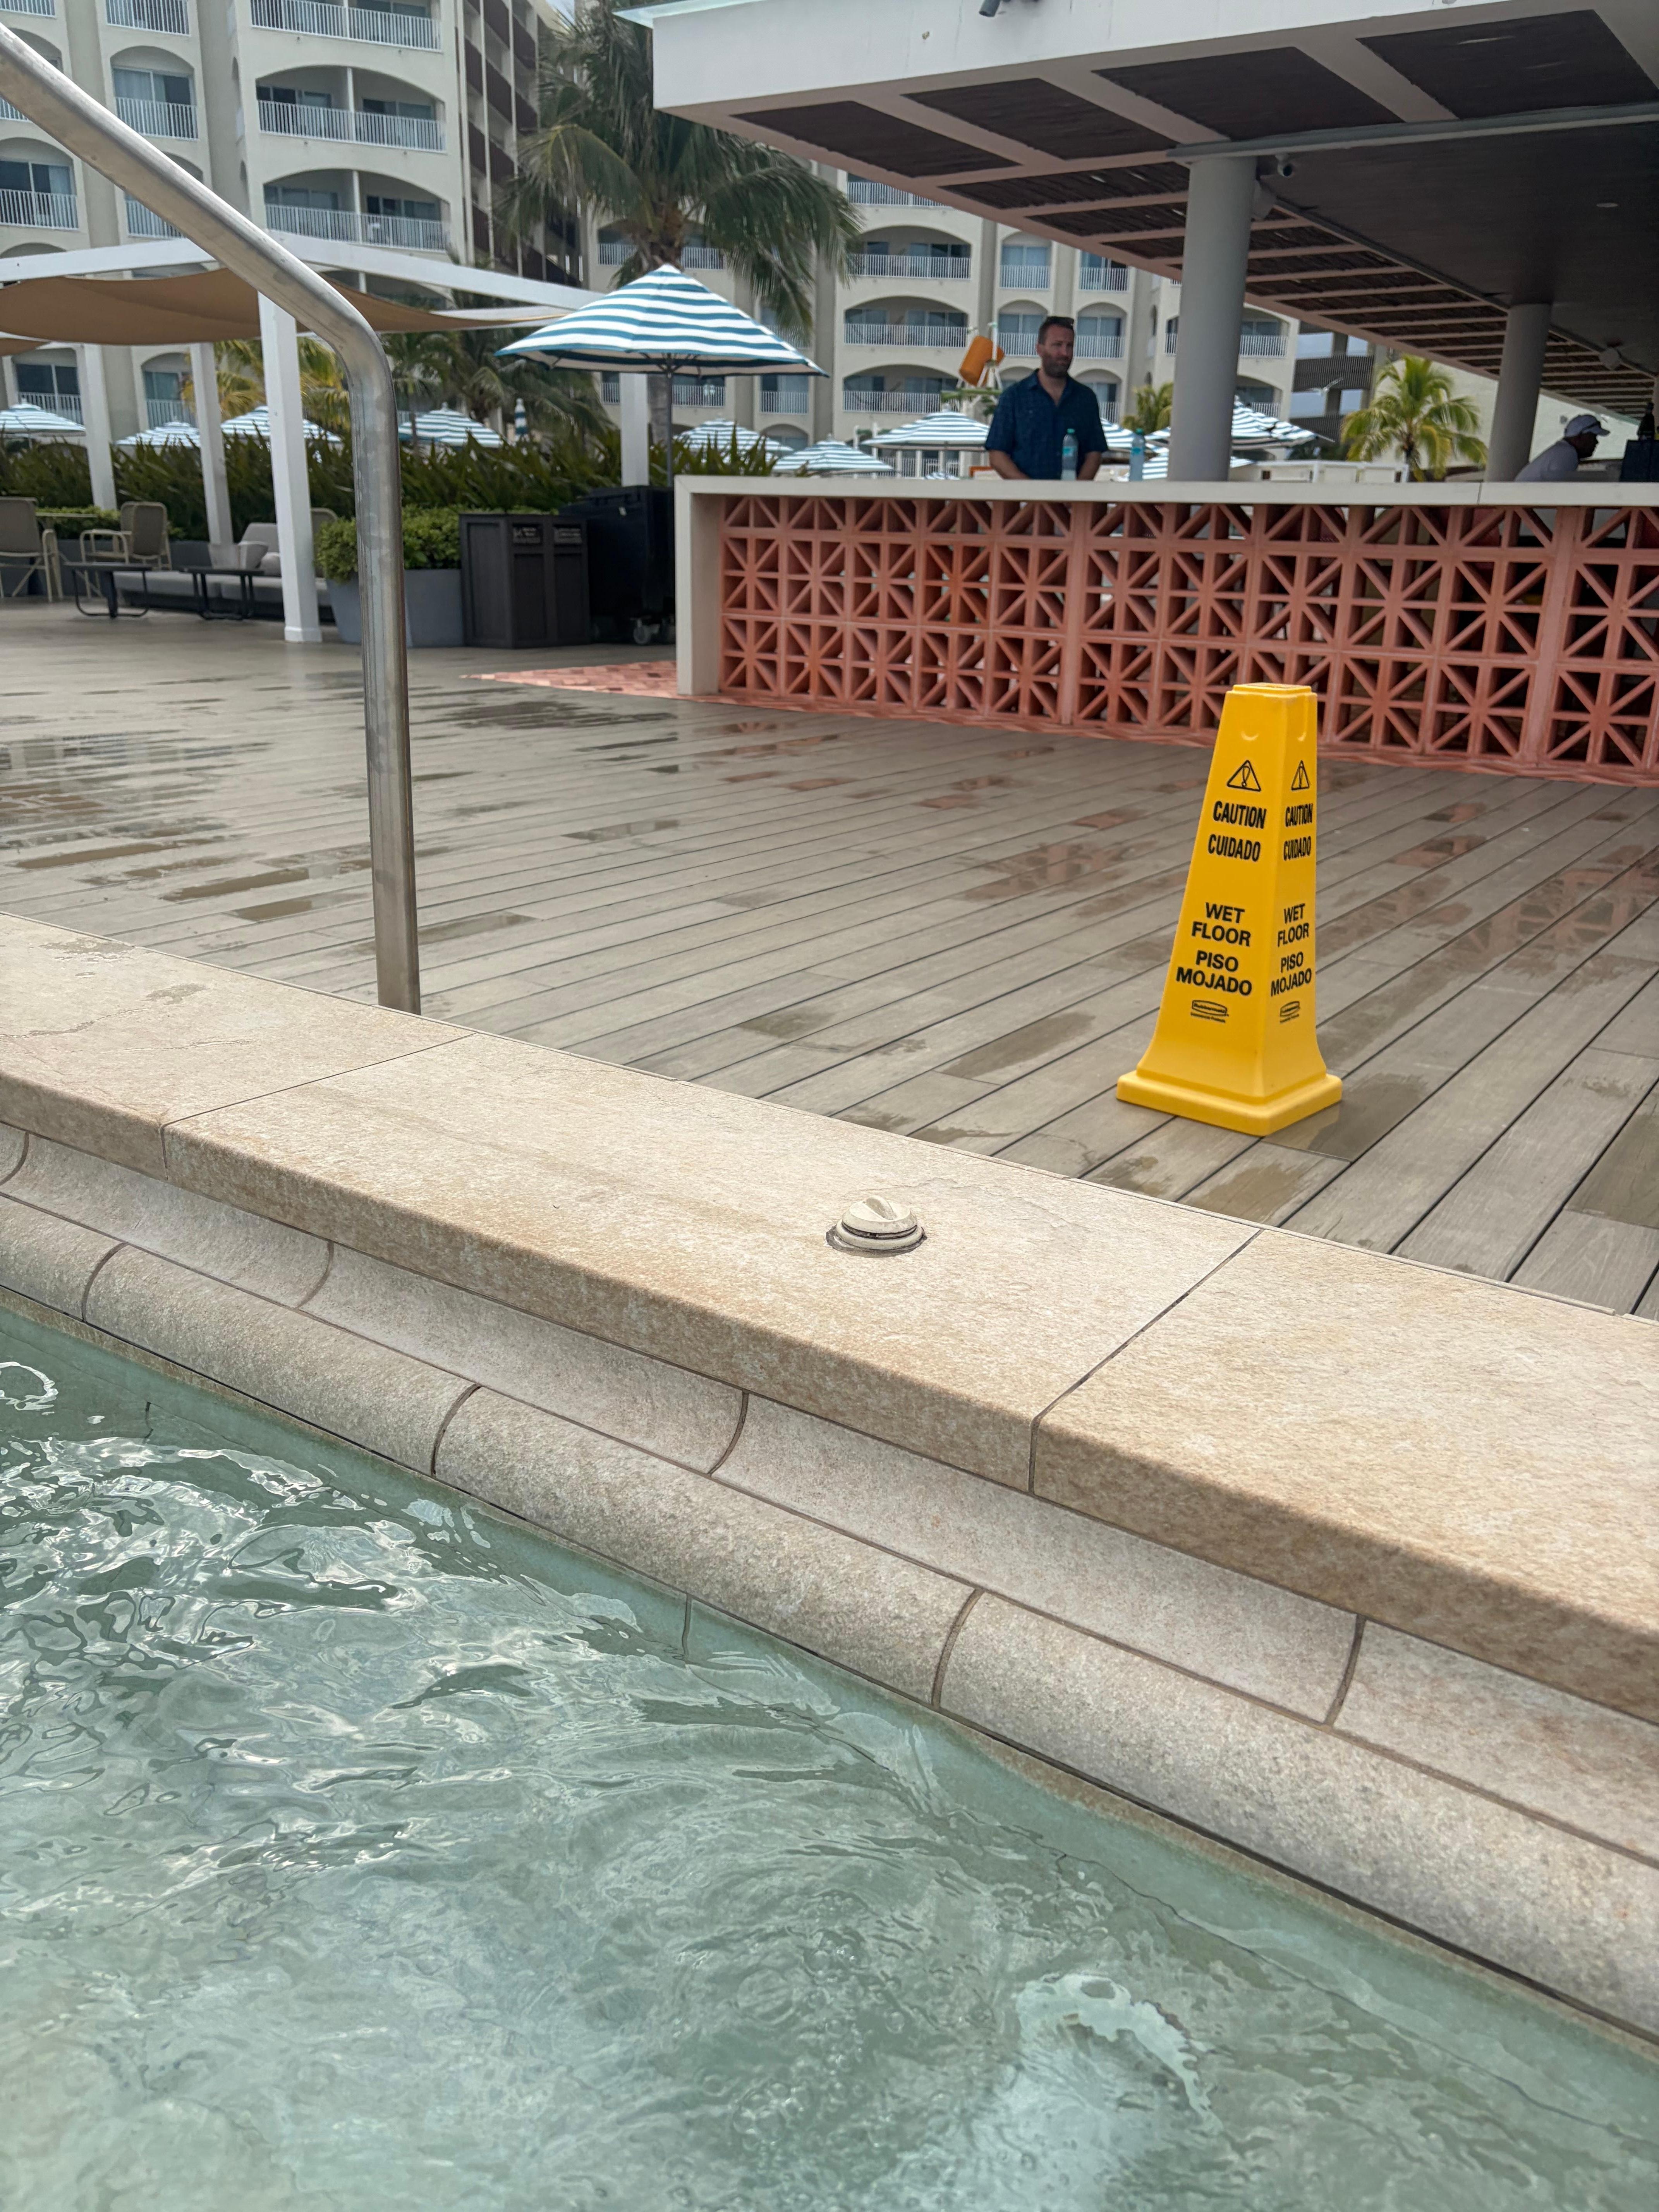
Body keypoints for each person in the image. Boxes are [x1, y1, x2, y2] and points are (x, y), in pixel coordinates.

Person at [984, 317, 1107, 481]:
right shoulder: (1014, 397)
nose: (1065, 353)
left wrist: (1077, 491)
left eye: (1070, 346)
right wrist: (1032, 491)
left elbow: (1094, 454)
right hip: (1024, 496)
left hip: (1074, 496)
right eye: (1057, 345)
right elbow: (997, 455)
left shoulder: (1086, 399)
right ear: (1039, 349)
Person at [1515, 413, 1604, 482]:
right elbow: (1560, 491)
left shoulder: (1562, 451)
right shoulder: (1567, 454)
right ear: (1578, 437)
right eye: (1593, 437)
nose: (1596, 442)